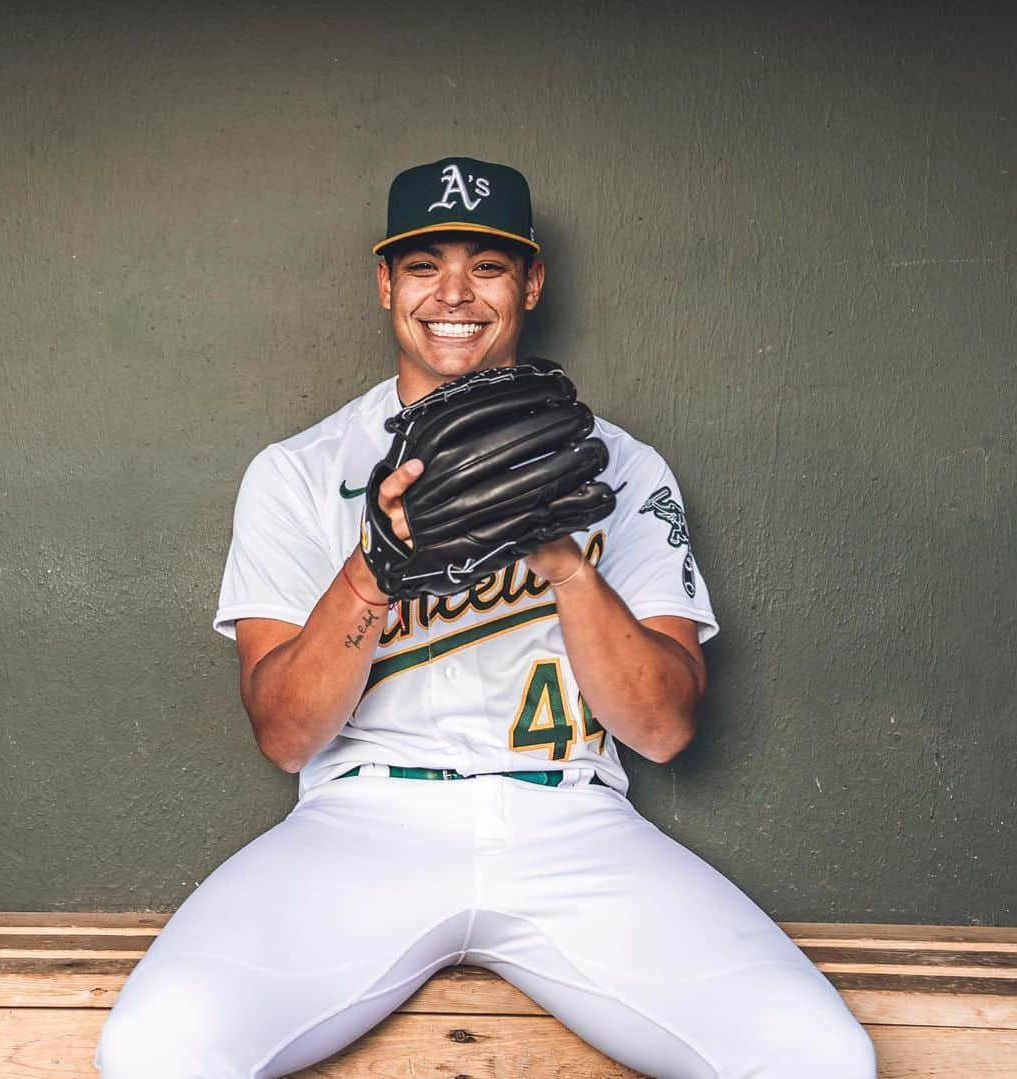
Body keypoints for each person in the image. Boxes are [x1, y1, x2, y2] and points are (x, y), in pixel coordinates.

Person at [94, 156, 877, 1078]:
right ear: (386, 282)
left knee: (820, 1056)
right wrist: (375, 568)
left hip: (570, 825)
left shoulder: (621, 469)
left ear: (532, 282)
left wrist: (561, 555)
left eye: (490, 264)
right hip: (364, 821)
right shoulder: (299, 470)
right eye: (424, 263)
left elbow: (664, 728)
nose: (453, 293)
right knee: (154, 1046)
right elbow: (284, 733)